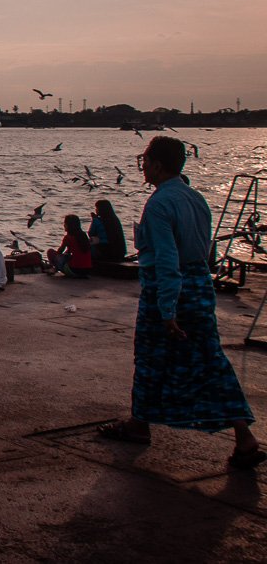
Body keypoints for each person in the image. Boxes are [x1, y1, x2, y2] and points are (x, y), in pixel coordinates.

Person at [98, 136, 264, 469]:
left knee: (152, 358)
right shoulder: (197, 199)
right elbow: (204, 252)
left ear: (157, 165)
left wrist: (168, 308)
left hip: (170, 290)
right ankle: (240, 436)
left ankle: (140, 425)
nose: (142, 165)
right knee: (206, 360)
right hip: (200, 287)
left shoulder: (159, 204)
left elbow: (167, 259)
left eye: (145, 159)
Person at [89, 198, 128, 263]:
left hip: (105, 251)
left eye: (97, 208)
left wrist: (94, 220)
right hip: (119, 252)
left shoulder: (97, 221)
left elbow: (91, 233)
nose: (96, 210)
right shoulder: (114, 220)